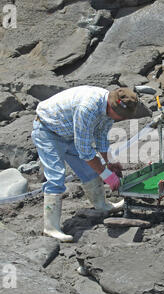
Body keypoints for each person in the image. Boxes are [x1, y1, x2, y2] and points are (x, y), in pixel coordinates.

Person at [31, 86, 150, 241]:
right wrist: (106, 175)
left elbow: (100, 136)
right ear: (111, 105)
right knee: (56, 177)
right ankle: (51, 227)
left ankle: (102, 205)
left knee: (90, 171)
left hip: (70, 133)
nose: (119, 119)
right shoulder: (87, 108)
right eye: (119, 115)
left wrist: (110, 162)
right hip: (48, 130)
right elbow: (85, 151)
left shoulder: (108, 110)